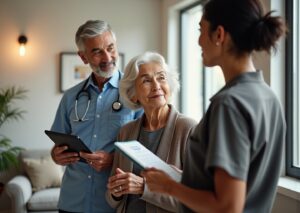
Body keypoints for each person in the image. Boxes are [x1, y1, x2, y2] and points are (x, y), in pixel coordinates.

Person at [141, 0, 287, 212]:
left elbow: (228, 206)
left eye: (201, 30)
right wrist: (185, 179)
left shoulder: (229, 104)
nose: (199, 41)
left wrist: (169, 186)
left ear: (219, 35)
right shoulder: (268, 96)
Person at [50, 20, 142, 213]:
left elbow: (148, 148)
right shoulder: (71, 97)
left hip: (113, 204)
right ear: (83, 57)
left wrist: (113, 159)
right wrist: (56, 155)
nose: (107, 57)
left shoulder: (136, 93)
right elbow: (57, 143)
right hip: (72, 202)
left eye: (110, 48)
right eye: (97, 51)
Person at [106, 51, 197, 212]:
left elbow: (197, 198)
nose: (156, 86)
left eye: (161, 78)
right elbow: (112, 196)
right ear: (133, 95)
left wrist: (144, 187)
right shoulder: (126, 132)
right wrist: (116, 192)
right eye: (146, 80)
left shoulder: (188, 128)